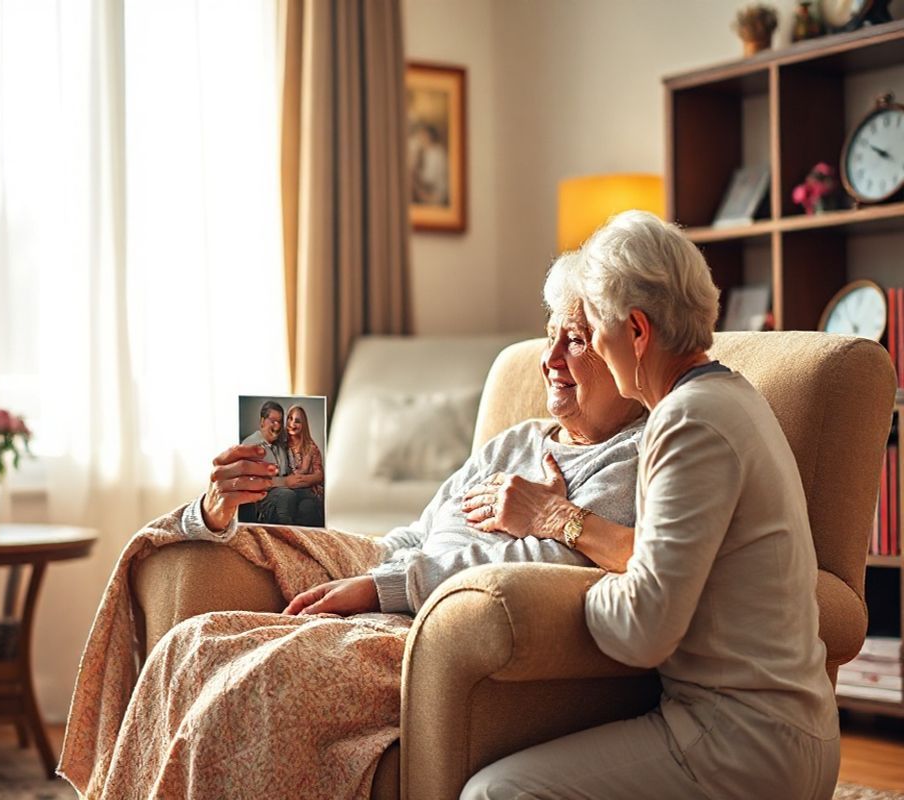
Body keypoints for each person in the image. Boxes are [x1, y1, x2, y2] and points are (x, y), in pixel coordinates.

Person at [463, 211, 839, 799]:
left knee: (494, 792)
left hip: (738, 742)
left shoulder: (687, 422)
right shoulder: (732, 398)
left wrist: (564, 586)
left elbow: (643, 629)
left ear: (636, 332)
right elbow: (667, 567)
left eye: (594, 331)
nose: (593, 351)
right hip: (789, 731)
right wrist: (567, 522)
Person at [185, 288, 646, 616]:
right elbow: (413, 537)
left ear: (625, 350)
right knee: (197, 645)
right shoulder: (517, 439)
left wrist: (379, 589)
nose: (549, 360)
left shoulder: (631, 456)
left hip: (424, 630)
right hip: (389, 597)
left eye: (577, 341)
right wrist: (233, 518)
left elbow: (555, 574)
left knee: (248, 681)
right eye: (550, 337)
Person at [236, 400, 295, 524]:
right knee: (286, 496)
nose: (277, 426)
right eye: (273, 421)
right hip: (260, 498)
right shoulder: (249, 445)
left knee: (310, 499)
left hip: (282, 491)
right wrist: (284, 482)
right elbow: (249, 482)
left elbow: (286, 472)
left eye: (280, 421)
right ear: (262, 421)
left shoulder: (280, 446)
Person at [283, 404, 324, 527]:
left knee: (307, 508)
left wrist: (302, 480)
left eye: (297, 421)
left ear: (303, 425)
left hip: (308, 491)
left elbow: (319, 475)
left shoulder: (310, 447)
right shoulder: (281, 444)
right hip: (287, 490)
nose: (292, 424)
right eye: (290, 418)